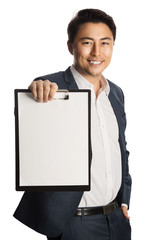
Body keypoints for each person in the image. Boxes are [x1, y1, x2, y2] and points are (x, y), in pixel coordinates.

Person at [14, 8, 132, 240]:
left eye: (105, 43)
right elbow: (30, 132)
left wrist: (124, 200)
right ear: (71, 46)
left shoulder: (115, 93)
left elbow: (121, 150)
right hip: (74, 225)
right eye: (87, 42)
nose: (97, 52)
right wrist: (35, 94)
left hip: (117, 220)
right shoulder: (51, 87)